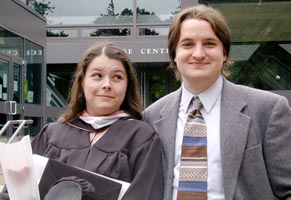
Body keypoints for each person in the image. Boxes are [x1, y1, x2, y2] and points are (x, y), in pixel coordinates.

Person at [143, 4, 291, 200]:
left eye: (209, 43)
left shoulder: (268, 109)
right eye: (187, 44)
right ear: (174, 55)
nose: (198, 53)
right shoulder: (152, 116)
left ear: (224, 53)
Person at [0, 43, 163, 200]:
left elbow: (146, 194)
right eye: (97, 76)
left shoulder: (141, 137)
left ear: (127, 86)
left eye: (117, 77)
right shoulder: (51, 134)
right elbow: (12, 193)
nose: (107, 85)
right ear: (82, 81)